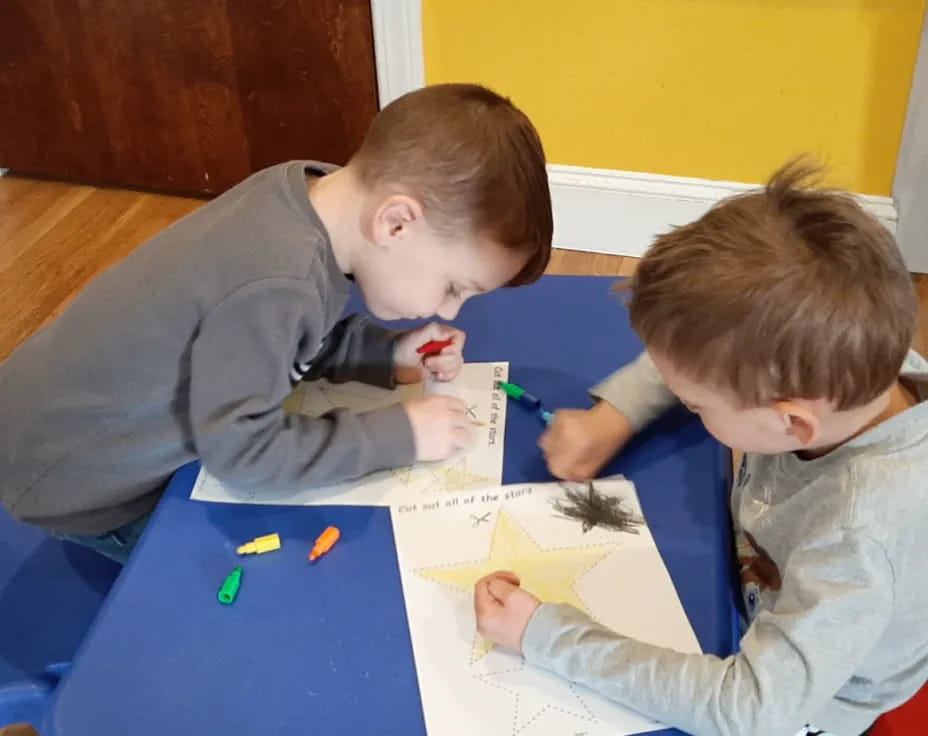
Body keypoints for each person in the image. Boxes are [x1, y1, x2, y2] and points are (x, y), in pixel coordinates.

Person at [0, 83, 553, 564]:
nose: (449, 310)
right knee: (259, 584)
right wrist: (400, 434)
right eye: (455, 287)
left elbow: (283, 340)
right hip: (77, 484)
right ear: (396, 222)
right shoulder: (277, 282)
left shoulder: (304, 195)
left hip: (44, 413)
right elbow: (243, 452)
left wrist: (384, 354)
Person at [475, 161, 926, 736]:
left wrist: (546, 636)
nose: (685, 400)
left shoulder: (857, 538)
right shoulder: (852, 367)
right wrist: (615, 415)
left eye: (695, 405)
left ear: (793, 421)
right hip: (765, 589)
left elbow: (750, 711)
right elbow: (706, 351)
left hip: (817, 703)